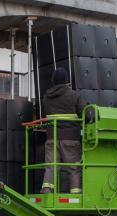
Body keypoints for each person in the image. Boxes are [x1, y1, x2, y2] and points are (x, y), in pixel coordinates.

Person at [41, 67, 88, 195]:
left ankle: (46, 189)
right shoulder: (74, 95)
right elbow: (86, 114)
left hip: (51, 138)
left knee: (51, 166)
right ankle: (75, 193)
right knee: (74, 168)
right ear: (67, 81)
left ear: (53, 81)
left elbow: (45, 114)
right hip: (70, 138)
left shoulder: (46, 97)